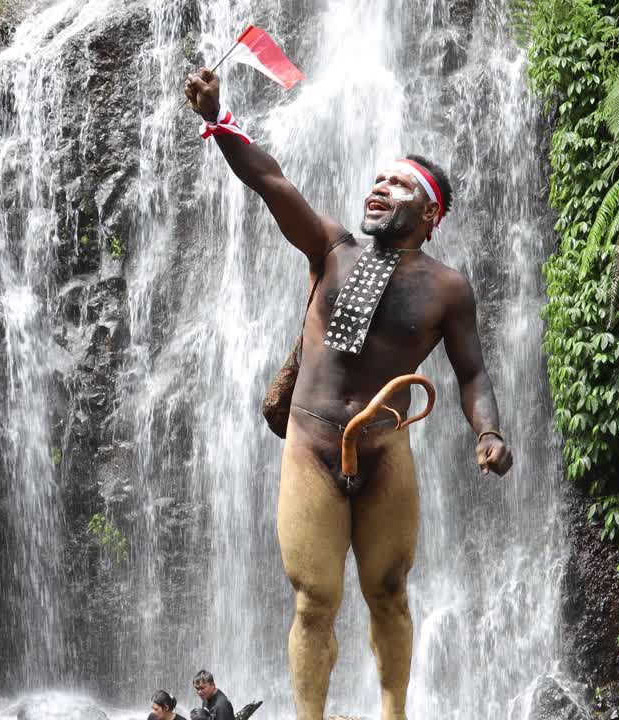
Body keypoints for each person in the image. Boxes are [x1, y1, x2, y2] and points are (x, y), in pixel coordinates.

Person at [183, 68, 514, 720]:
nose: (378, 188)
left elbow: (472, 373)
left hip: (386, 448)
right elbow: (270, 180)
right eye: (378, 178)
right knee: (314, 598)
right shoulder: (333, 250)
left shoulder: (449, 289)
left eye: (397, 185)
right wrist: (220, 119)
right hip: (311, 445)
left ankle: (394, 713)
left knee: (389, 591)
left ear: (429, 213)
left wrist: (490, 432)